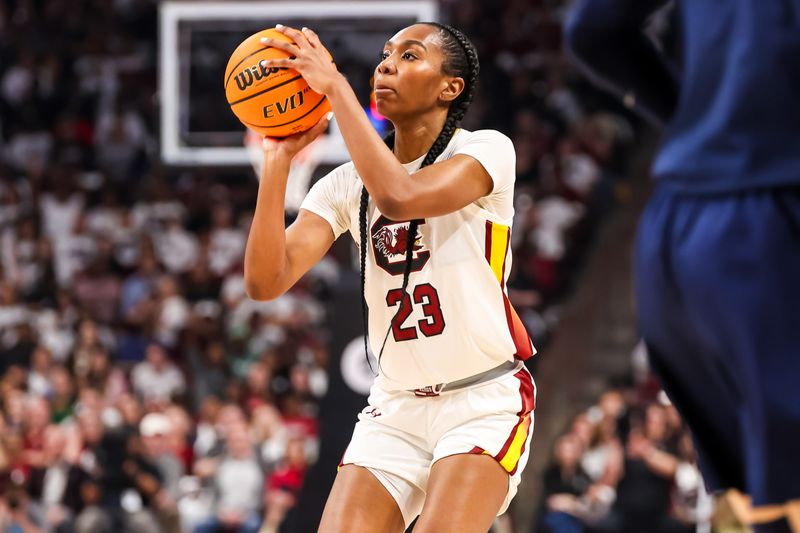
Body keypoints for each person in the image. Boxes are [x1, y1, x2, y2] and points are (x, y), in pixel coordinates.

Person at [244, 22, 536, 533]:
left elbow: (399, 198)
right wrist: (277, 162)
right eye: (384, 54)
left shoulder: (487, 150)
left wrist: (335, 88)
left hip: (482, 400)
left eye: (409, 55)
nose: (386, 64)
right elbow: (266, 281)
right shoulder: (343, 183)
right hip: (396, 405)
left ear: (450, 88)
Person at [564, 1, 800, 532]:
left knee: (763, 501)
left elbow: (591, 29)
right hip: (772, 218)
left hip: (680, 221)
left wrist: (694, 122)